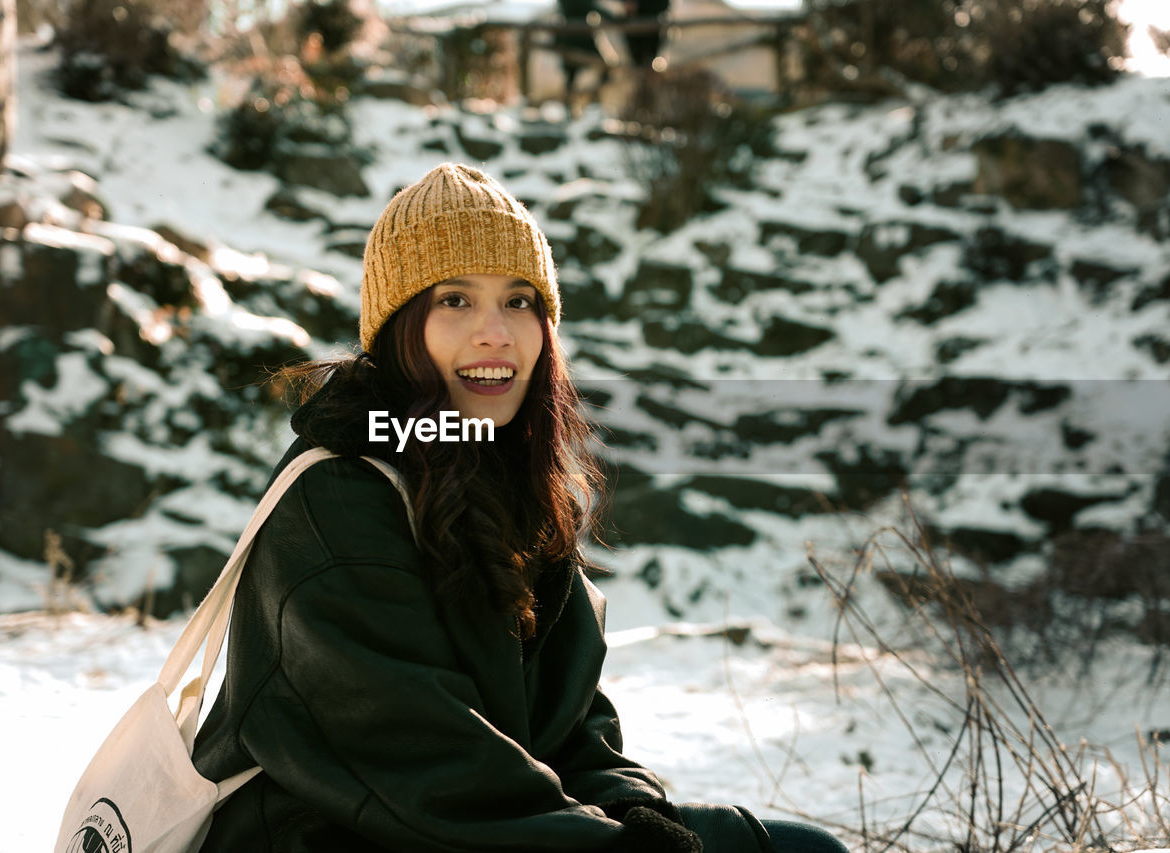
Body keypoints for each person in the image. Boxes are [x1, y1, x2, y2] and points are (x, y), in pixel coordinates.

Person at [191, 163, 849, 853]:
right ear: (397, 328)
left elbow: (574, 735)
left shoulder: (519, 487)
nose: (495, 333)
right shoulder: (336, 497)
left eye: (518, 300)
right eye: (454, 300)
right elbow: (425, 767)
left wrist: (640, 819)